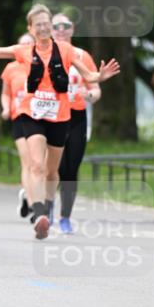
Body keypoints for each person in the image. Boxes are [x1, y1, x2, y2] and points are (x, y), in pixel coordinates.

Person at [0, 3, 119, 239]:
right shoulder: (24, 51)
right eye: (37, 25)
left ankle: (47, 205)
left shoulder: (66, 50)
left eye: (45, 24)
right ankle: (40, 214)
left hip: (60, 116)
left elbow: (88, 75)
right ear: (30, 29)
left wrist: (99, 76)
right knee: (37, 164)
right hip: (32, 114)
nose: (43, 28)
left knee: (51, 170)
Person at [52, 13, 101, 234]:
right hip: (52, 116)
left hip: (77, 117)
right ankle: (47, 205)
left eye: (66, 26)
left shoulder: (82, 55)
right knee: (54, 168)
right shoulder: (44, 53)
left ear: (72, 29)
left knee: (71, 168)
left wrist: (88, 94)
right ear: (50, 30)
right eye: (56, 26)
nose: (61, 30)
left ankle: (65, 217)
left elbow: (96, 88)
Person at [0, 34, 34, 218]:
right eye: (23, 44)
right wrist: (6, 108)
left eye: (30, 44)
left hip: (40, 118)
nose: (27, 47)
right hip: (19, 116)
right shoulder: (11, 68)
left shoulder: (41, 66)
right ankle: (31, 201)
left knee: (40, 163)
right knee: (28, 161)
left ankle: (31, 195)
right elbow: (5, 94)